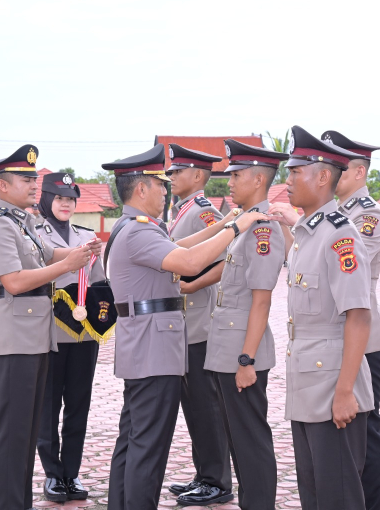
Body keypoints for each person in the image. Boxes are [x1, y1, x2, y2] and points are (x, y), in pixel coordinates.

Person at [102, 144, 267, 510]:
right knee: (148, 448)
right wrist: (238, 226)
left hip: (144, 347)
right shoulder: (138, 232)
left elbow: (176, 244)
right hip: (154, 350)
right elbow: (190, 261)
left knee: (132, 441)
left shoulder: (133, 227)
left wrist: (224, 224)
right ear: (142, 188)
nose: (166, 190)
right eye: (160, 184)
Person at [0, 145, 100, 510]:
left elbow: (50, 253)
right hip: (13, 339)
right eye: (26, 179)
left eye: (34, 178)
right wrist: (70, 263)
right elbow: (14, 281)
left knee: (26, 434)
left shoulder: (24, 223)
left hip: (33, 338)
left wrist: (85, 250)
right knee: (11, 435)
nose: (34, 184)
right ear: (3, 186)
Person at [282, 125, 373, 510]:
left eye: (294, 172)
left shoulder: (340, 236)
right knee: (315, 495)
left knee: (338, 498)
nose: (287, 181)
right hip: (306, 381)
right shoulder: (306, 233)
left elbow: (358, 317)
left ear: (322, 177)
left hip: (333, 383)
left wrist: (344, 391)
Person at [202, 139, 288, 510]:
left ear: (257, 179)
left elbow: (261, 298)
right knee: (238, 439)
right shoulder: (244, 223)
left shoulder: (262, 229)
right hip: (227, 344)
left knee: (250, 440)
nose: (229, 183)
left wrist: (247, 360)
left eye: (236, 176)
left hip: (242, 350)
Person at [166, 144, 233, 507]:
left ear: (197, 176)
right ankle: (204, 473)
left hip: (200, 322)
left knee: (205, 405)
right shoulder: (182, 210)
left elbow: (226, 258)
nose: (172, 178)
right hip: (184, 323)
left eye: (178, 172)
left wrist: (191, 285)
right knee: (193, 405)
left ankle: (218, 481)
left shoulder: (206, 212)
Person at [34, 173, 105, 503]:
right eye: (59, 198)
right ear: (46, 199)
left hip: (83, 334)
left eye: (71, 199)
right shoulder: (34, 234)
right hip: (47, 332)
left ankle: (71, 473)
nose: (66, 204)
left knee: (79, 404)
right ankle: (52, 475)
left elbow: (100, 283)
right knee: (48, 406)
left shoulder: (88, 236)